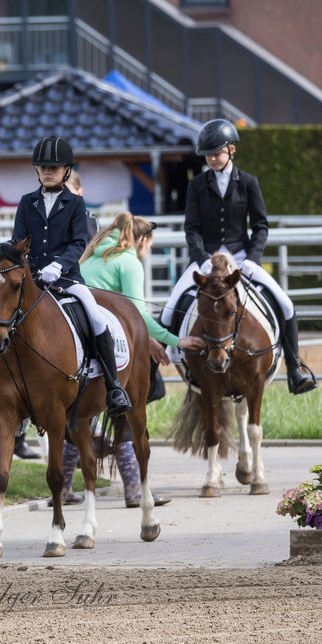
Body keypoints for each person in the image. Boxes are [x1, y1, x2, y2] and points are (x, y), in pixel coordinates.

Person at [0, 135, 131, 428]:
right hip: (31, 280)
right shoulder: (26, 202)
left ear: (66, 171)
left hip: (67, 278)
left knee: (96, 319)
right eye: (43, 167)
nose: (48, 171)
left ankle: (113, 387)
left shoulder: (75, 203)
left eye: (54, 168)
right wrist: (5, 257)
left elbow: (79, 242)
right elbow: (19, 240)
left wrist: (59, 265)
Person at [58, 213, 208, 506]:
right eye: (150, 245)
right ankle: (134, 489)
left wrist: (149, 341)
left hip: (78, 336)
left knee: (75, 413)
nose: (148, 251)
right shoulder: (128, 261)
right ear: (143, 240)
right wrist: (175, 340)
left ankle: (63, 486)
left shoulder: (91, 256)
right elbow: (136, 315)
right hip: (108, 339)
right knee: (130, 405)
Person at [159, 119, 317, 394]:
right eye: (208, 154)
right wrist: (201, 259)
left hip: (242, 258)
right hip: (206, 259)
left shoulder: (248, 182)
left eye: (217, 153)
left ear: (231, 150)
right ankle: (153, 376)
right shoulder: (197, 185)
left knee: (286, 304)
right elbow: (192, 228)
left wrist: (252, 259)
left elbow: (261, 226)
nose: (212, 158)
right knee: (171, 306)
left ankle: (295, 370)